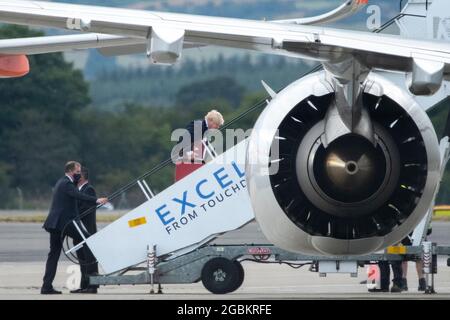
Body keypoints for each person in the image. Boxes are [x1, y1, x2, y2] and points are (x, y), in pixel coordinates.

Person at [41, 161, 108, 295]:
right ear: (71, 171)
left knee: (53, 254)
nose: (79, 174)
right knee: (88, 241)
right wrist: (96, 200)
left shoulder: (61, 182)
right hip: (64, 224)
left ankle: (46, 286)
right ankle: (92, 277)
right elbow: (78, 195)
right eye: (77, 172)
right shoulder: (67, 183)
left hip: (55, 224)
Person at [70, 166, 100, 294]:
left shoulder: (89, 189)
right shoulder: (78, 190)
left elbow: (85, 209)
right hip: (79, 231)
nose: (75, 176)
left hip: (87, 230)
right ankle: (84, 285)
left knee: (89, 259)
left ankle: (92, 286)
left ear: (82, 177)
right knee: (82, 259)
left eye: (77, 174)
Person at [173, 110, 224, 181]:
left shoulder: (205, 130)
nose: (218, 127)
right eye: (217, 124)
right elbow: (183, 139)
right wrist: (188, 153)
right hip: (186, 158)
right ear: (210, 120)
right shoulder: (198, 125)